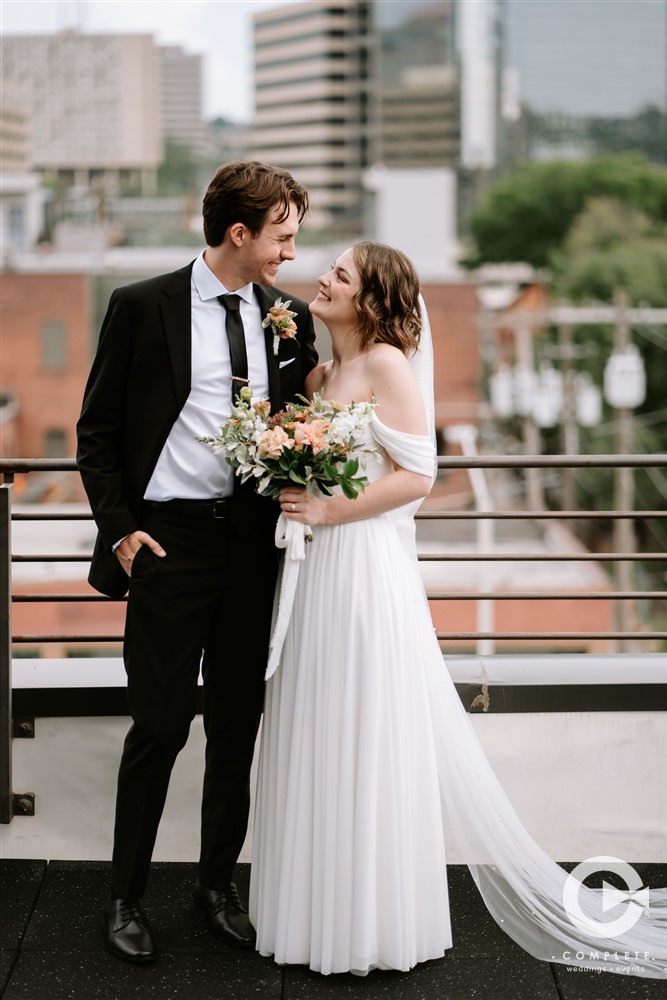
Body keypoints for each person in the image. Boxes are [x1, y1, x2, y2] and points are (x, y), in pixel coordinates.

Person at [248, 241, 667, 978]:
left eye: (339, 274)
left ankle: (372, 923)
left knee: (364, 723)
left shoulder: (385, 364)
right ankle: (313, 914)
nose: (322, 278)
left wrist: (324, 507)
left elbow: (417, 474)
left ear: (370, 297)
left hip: (362, 566)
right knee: (317, 717)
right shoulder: (321, 373)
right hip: (314, 572)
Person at [76, 161, 318, 964]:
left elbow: (300, 422)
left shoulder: (287, 317)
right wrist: (120, 531)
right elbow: (98, 433)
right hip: (167, 546)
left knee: (237, 725)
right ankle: (126, 897)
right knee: (158, 724)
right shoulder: (140, 306)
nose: (291, 249)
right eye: (281, 235)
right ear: (238, 233)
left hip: (252, 547)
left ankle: (216, 887)